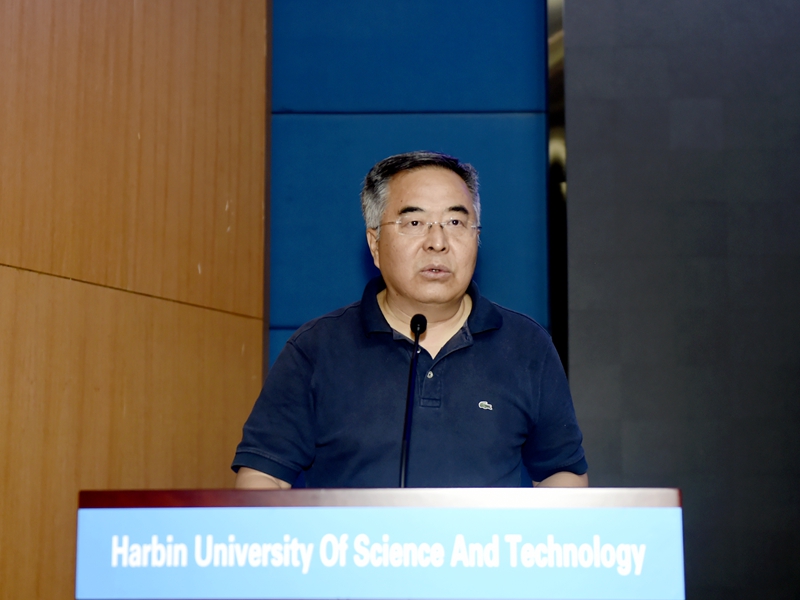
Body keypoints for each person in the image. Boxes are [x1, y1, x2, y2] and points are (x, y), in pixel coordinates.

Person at [233, 151, 588, 489]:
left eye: (455, 222)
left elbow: (560, 474)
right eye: (415, 222)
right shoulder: (316, 349)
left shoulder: (526, 346)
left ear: (476, 237)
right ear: (375, 244)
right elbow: (264, 477)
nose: (438, 242)